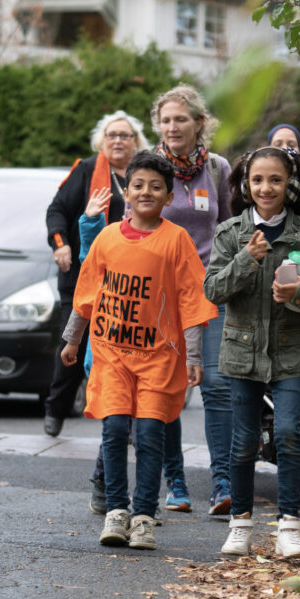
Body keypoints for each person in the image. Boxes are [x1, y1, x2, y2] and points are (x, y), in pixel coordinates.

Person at [60, 151, 218, 550]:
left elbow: (190, 301)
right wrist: (72, 340)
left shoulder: (177, 240)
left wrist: (195, 357)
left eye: (156, 187)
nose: (146, 192)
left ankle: (144, 515)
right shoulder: (108, 237)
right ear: (125, 192)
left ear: (168, 197)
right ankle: (117, 511)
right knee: (114, 431)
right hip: (112, 355)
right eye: (138, 185)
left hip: (158, 360)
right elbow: (87, 295)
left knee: (150, 435)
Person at [204, 146, 300, 558]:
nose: (266, 188)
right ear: (247, 186)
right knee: (244, 440)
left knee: (287, 433)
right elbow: (212, 290)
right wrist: (247, 260)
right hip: (242, 352)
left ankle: (289, 528)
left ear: (290, 184)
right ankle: (241, 524)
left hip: (291, 351)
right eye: (258, 180)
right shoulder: (230, 233)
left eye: (276, 180)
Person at [151, 85, 234, 515]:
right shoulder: (149, 167)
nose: (172, 126)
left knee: (217, 388)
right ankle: (176, 484)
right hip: (162, 298)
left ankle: (222, 484)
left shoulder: (218, 170)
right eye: (166, 120)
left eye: (181, 119)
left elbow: (230, 227)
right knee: (168, 390)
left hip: (211, 292)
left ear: (199, 123)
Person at [44, 111, 150, 437]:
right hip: (83, 275)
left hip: (129, 282)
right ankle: (56, 408)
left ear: (136, 142)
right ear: (102, 141)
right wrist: (60, 244)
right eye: (111, 135)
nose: (117, 141)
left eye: (124, 135)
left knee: (127, 350)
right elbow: (57, 210)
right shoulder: (87, 169)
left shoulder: (143, 174)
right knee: (71, 343)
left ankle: (125, 420)